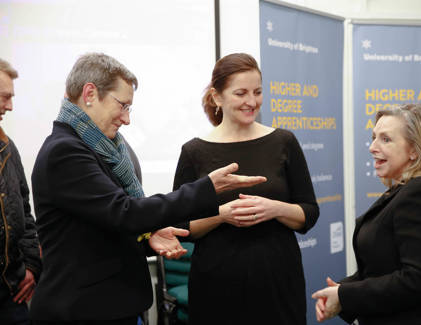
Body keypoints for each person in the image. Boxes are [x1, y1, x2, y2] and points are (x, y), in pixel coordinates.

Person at [29, 52, 266, 324]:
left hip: (113, 306)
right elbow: (123, 212)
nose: (127, 119)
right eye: (122, 105)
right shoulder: (65, 151)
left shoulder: (109, 148)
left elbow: (106, 224)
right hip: (83, 311)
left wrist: (146, 235)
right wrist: (206, 189)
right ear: (90, 93)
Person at [173, 53, 319, 325]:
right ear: (217, 97)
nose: (252, 102)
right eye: (241, 93)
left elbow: (309, 213)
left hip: (277, 279)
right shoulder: (194, 151)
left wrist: (274, 209)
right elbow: (181, 225)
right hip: (216, 283)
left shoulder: (284, 142)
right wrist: (222, 215)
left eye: (258, 92)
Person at [312, 103, 421, 325]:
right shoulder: (404, 191)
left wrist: (345, 296)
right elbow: (382, 268)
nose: (372, 147)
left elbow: (419, 279)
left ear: (414, 149)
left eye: (385, 139)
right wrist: (342, 292)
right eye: (373, 137)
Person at [0, 58, 42, 325]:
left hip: (10, 293)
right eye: (4, 97)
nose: (10, 106)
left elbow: (24, 214)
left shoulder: (8, 148)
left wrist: (31, 266)